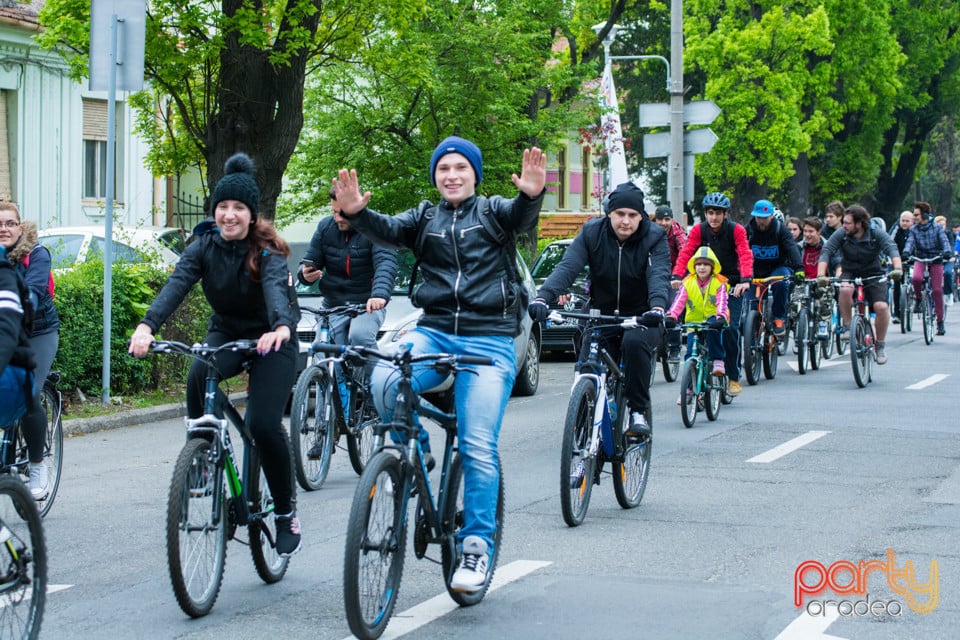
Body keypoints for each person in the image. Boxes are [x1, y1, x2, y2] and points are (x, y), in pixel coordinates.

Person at [333, 136, 546, 592]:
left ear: (474, 174)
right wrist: (355, 213)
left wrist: (531, 194)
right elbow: (386, 229)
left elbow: (522, 217)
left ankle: (475, 548)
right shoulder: (424, 217)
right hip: (433, 331)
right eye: (443, 168)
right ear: (436, 175)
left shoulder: (494, 213)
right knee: (386, 375)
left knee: (476, 445)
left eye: (460, 168)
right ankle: (407, 455)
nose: (451, 175)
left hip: (488, 341)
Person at [129, 153, 303, 556]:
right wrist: (146, 326)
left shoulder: (267, 250)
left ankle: (285, 512)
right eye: (222, 207)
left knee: (262, 424)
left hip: (273, 338)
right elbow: (177, 285)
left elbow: (276, 291)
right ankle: (204, 454)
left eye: (238, 208)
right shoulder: (203, 245)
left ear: (251, 214)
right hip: (227, 331)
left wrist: (280, 327)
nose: (229, 215)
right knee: (198, 374)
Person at [533, 181, 669, 434]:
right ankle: (583, 431)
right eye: (619, 214)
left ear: (641, 217)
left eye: (632, 215)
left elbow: (658, 276)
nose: (625, 221)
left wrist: (658, 307)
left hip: (641, 316)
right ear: (609, 213)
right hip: (601, 314)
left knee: (633, 344)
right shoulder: (592, 233)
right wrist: (543, 297)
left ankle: (638, 411)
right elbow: (567, 267)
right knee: (587, 366)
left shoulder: (654, 238)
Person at [297, 185, 398, 372]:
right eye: (334, 212)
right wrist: (304, 274)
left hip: (366, 304)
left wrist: (379, 295)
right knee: (322, 352)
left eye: (343, 213)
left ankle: (376, 388)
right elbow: (310, 261)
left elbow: (386, 264)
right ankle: (329, 396)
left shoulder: (376, 228)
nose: (338, 218)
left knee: (359, 337)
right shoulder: (326, 227)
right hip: (334, 304)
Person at [0, 202, 57, 499]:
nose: (4, 229)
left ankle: (37, 466)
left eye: (10, 223)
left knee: (27, 389)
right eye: (0, 224)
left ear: (21, 228)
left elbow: (33, 293)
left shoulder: (36, 254)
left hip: (38, 332)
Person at [672, 192, 753, 397]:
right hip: (706, 282)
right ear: (705, 214)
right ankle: (696, 371)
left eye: (718, 213)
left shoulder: (736, 230)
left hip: (732, 284)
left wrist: (745, 281)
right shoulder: (700, 230)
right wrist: (676, 275)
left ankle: (733, 376)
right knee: (697, 325)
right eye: (710, 213)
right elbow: (687, 252)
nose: (714, 217)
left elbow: (744, 254)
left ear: (725, 214)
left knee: (731, 328)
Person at [817, 205, 902, 364]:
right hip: (850, 270)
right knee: (845, 289)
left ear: (859, 224)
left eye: (848, 223)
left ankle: (880, 346)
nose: (844, 226)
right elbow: (827, 251)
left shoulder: (876, 233)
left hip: (873, 272)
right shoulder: (842, 233)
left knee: (881, 307)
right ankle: (848, 326)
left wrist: (898, 269)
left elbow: (892, 248)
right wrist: (821, 274)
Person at [666, 247, 728, 403]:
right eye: (699, 264)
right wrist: (671, 316)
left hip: (713, 320)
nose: (702, 267)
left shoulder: (718, 282)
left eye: (706, 265)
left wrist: (721, 317)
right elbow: (678, 302)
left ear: (712, 267)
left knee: (714, 334)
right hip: (693, 323)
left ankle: (718, 360)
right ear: (694, 266)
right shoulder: (687, 282)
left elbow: (722, 302)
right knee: (690, 355)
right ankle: (687, 390)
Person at [744, 199, 803, 337]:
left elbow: (791, 248)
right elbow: (739, 250)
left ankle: (778, 318)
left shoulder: (780, 229)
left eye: (765, 218)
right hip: (755, 269)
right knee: (750, 300)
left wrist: (799, 268)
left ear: (771, 216)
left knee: (781, 285)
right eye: (759, 218)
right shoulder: (749, 230)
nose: (762, 221)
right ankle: (751, 327)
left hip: (778, 267)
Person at [0, 244, 36, 429]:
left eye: (10, 223)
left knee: (34, 403)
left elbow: (6, 328)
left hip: (13, 365)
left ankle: (36, 459)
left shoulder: (3, 273)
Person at [903, 201, 952, 335]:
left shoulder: (936, 228)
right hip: (921, 259)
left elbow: (944, 241)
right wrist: (906, 252)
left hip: (936, 259)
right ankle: (919, 299)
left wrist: (947, 251)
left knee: (936, 290)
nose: (914, 217)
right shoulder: (914, 229)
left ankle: (940, 322)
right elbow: (910, 242)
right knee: (916, 278)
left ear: (924, 214)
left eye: (916, 215)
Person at [653, 204, 687, 362]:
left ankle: (674, 348)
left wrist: (677, 276)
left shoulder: (678, 233)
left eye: (667, 219)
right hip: (655, 273)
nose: (663, 223)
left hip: (675, 273)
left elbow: (684, 254)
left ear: (671, 220)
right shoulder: (649, 233)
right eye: (660, 219)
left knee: (673, 308)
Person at [800, 217, 833, 337]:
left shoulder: (828, 246)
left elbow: (836, 261)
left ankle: (823, 323)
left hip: (822, 281)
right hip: (804, 281)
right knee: (794, 303)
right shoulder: (799, 247)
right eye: (805, 231)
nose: (807, 235)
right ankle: (799, 330)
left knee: (824, 299)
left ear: (819, 232)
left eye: (811, 231)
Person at [890, 211, 914, 324]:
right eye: (902, 221)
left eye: (907, 221)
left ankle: (917, 299)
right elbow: (889, 242)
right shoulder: (896, 229)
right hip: (898, 259)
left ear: (912, 222)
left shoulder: (915, 230)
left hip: (913, 259)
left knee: (917, 279)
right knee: (897, 283)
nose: (904, 223)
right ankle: (896, 313)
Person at [933, 215, 955, 305]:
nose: (942, 227)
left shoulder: (949, 234)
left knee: (948, 273)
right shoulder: (932, 234)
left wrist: (951, 255)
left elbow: (952, 245)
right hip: (936, 259)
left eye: (944, 224)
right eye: (940, 224)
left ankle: (948, 293)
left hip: (948, 259)